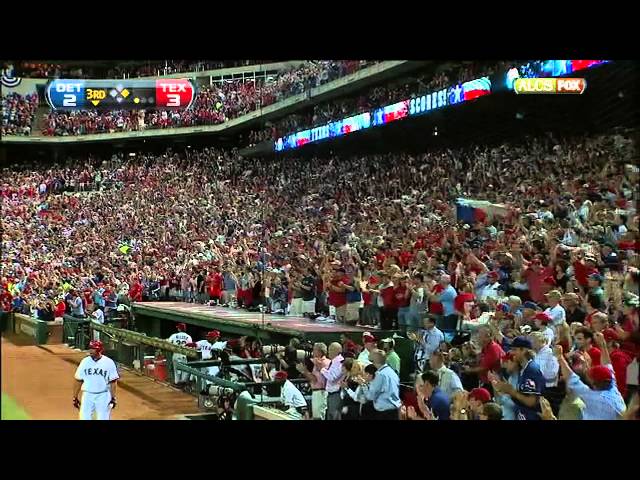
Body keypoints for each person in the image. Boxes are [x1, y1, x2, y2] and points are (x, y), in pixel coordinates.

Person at [554, 332, 626, 420]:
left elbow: (571, 377)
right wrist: (602, 344)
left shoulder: (592, 397)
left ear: (593, 382)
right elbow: (607, 364)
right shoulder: (613, 388)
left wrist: (560, 357)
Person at [490, 336, 545, 420]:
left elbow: (532, 401)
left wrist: (512, 392)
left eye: (515, 350)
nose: (512, 353)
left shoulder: (531, 370)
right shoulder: (523, 369)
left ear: (524, 350)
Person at [72, 340, 119, 420]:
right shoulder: (85, 362)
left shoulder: (108, 362)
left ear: (100, 350)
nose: (91, 351)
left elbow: (113, 382)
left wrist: (113, 397)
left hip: (103, 395)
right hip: (87, 395)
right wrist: (75, 397)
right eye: (90, 348)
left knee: (103, 418)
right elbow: (78, 380)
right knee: (84, 418)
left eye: (93, 349)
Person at [356, 349, 401, 420]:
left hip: (384, 414)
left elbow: (370, 396)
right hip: (394, 411)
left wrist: (363, 384)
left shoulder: (380, 375)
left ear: (375, 359)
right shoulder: (391, 372)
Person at [462, 325, 504, 391]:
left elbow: (484, 368)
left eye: (480, 335)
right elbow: (481, 358)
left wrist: (469, 370)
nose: (477, 337)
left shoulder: (493, 348)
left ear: (487, 337)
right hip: (484, 380)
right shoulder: (485, 346)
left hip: (492, 384)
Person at [296, 342, 330, 420]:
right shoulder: (320, 362)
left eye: (314, 350)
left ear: (320, 352)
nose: (313, 352)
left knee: (318, 417)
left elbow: (315, 380)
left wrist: (303, 371)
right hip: (319, 393)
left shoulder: (322, 362)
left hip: (320, 393)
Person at [320, 342, 344, 420]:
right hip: (330, 394)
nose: (328, 352)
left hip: (336, 394)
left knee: (334, 416)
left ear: (337, 351)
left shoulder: (339, 362)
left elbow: (332, 377)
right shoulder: (334, 361)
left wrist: (322, 369)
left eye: (330, 350)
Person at [167, 323, 192, 387]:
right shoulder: (188, 337)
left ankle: (177, 383)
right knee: (184, 370)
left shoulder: (174, 335)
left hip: (176, 354)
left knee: (176, 370)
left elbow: (168, 343)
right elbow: (190, 347)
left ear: (179, 329)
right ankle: (183, 384)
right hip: (184, 355)